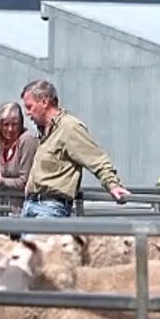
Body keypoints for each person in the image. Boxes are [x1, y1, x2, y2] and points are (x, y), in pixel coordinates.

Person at [19, 79, 130, 218]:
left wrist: (112, 184)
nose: (27, 113)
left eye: (29, 107)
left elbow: (95, 158)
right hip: (32, 204)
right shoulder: (45, 131)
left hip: (51, 207)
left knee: (37, 240)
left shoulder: (69, 128)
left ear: (44, 102)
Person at [0, 100, 39, 214]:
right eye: (6, 124)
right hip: (5, 208)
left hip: (26, 209)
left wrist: (3, 180)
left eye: (14, 124)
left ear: (21, 124)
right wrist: (5, 181)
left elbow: (25, 182)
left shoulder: (27, 141)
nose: (10, 129)